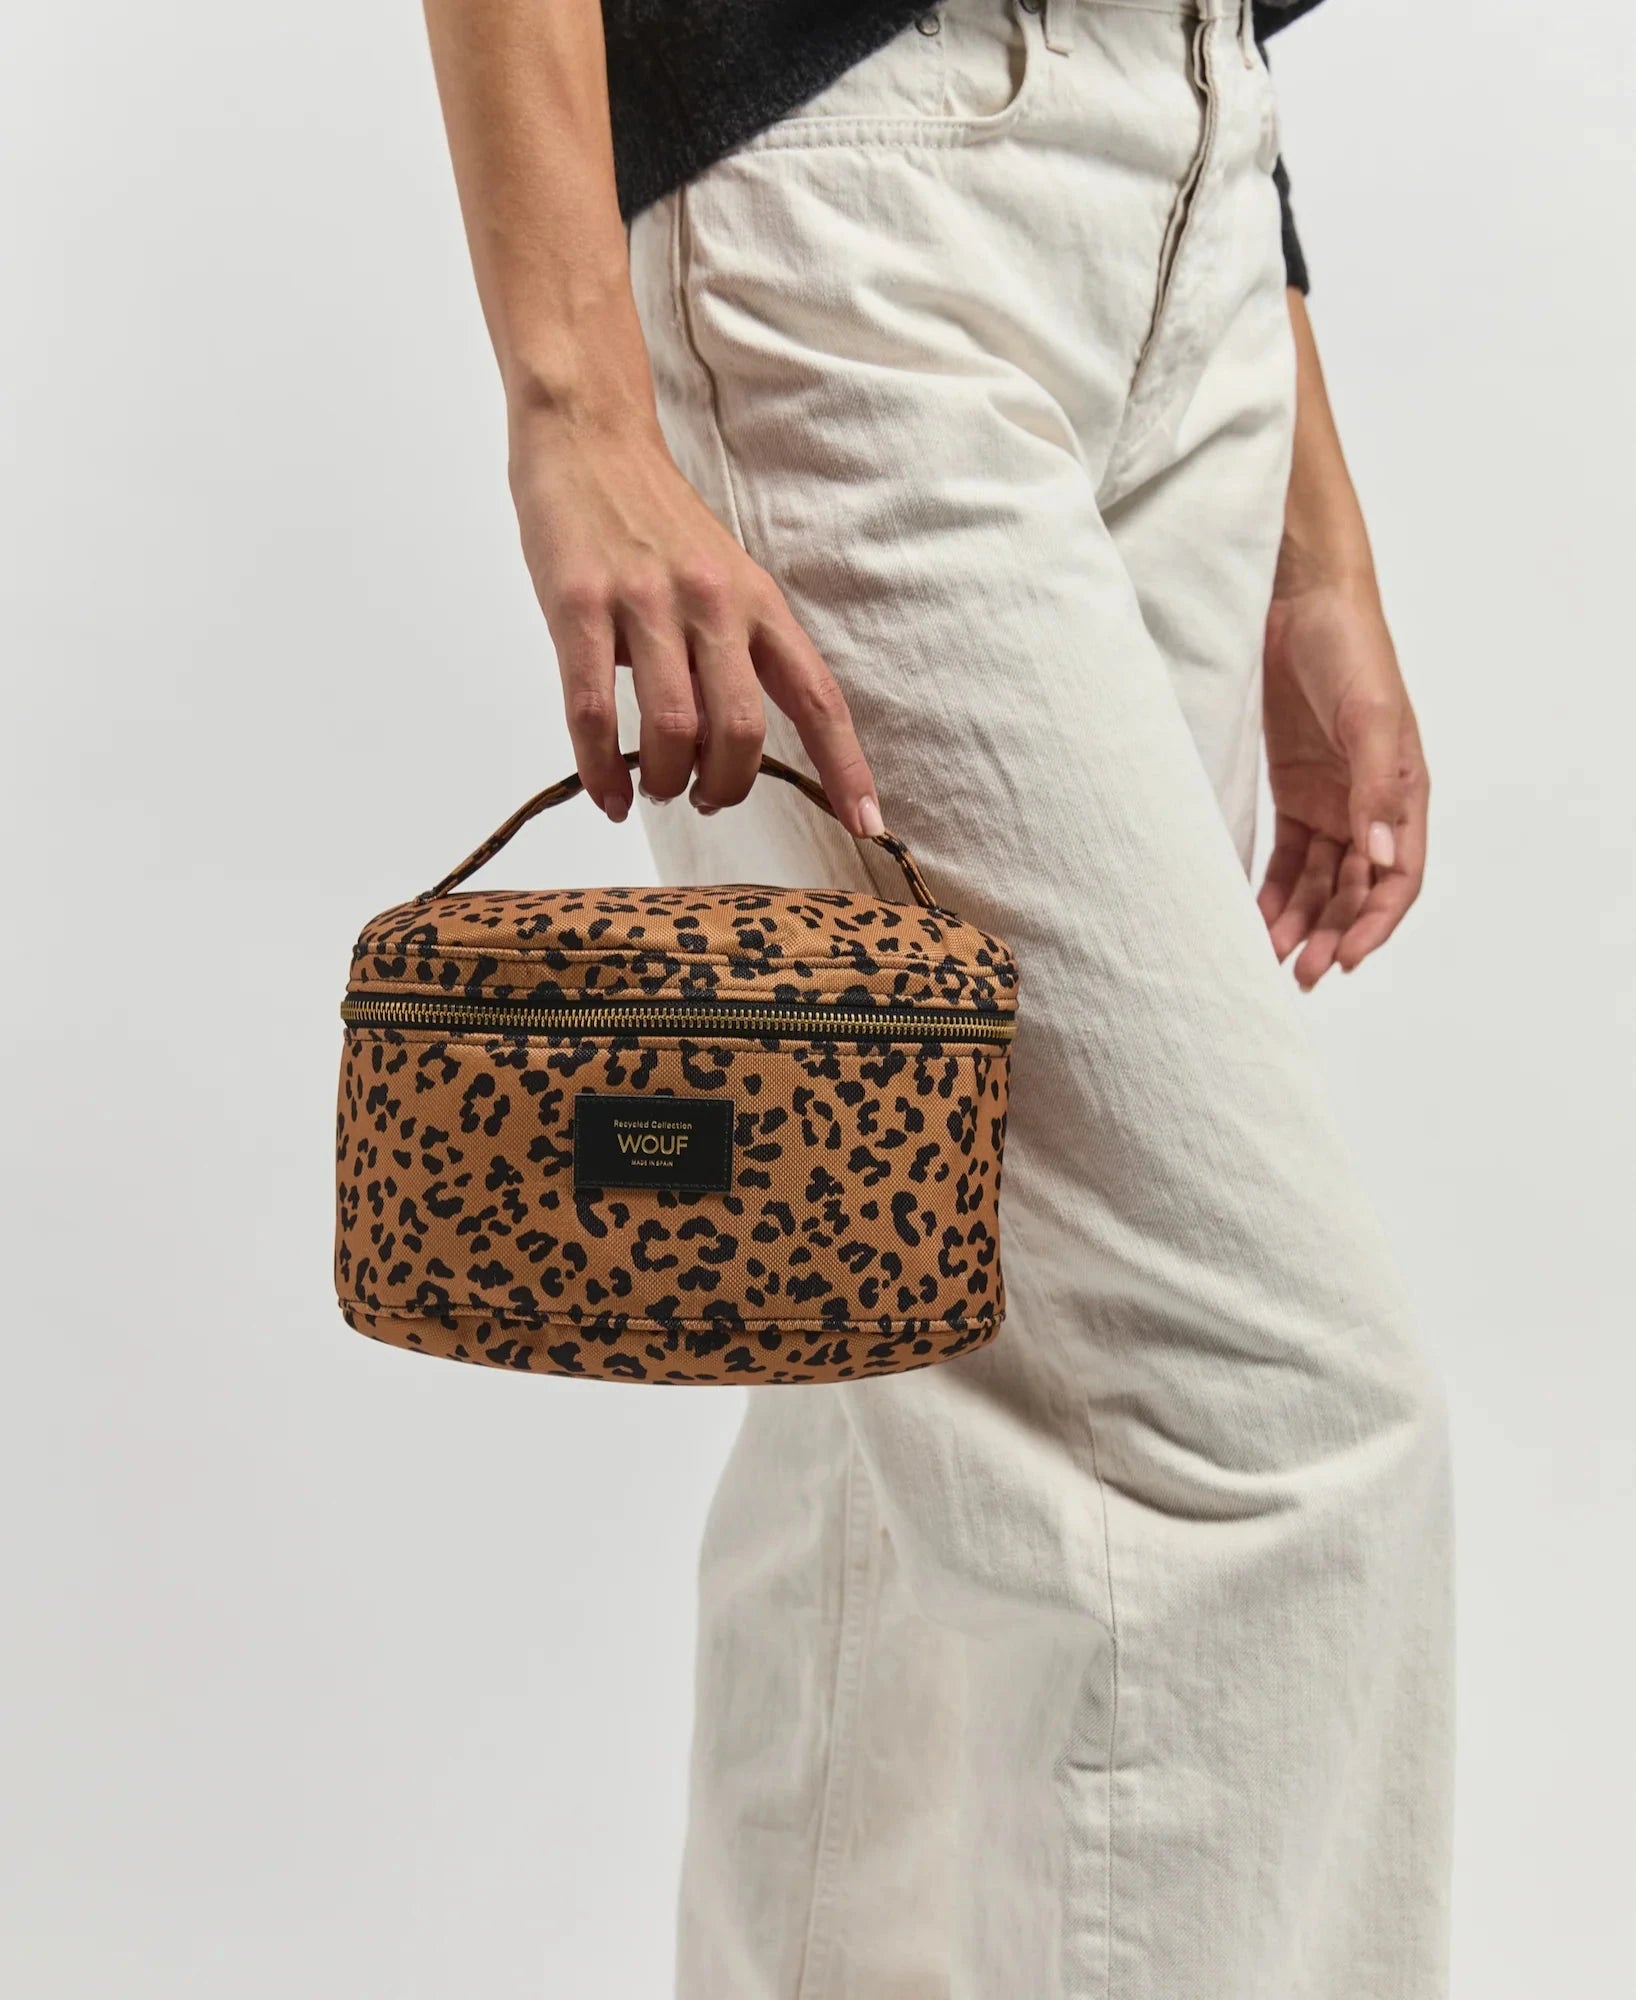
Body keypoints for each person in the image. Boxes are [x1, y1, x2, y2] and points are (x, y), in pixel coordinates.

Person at [420, 1, 1454, 1993]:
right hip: (843, 214)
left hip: (1197, 192)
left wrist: (1312, 539)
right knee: (1251, 1436)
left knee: (907, 1408)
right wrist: (573, 399)